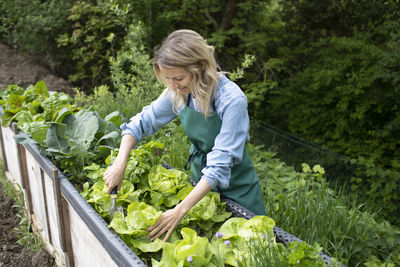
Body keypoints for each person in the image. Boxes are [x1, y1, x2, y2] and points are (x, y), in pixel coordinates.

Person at [103, 29, 266, 242]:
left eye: (178, 78)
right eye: (168, 79)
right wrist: (119, 163)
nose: (172, 86)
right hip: (200, 189)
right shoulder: (179, 92)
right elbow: (141, 123)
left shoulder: (232, 100)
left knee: (249, 248)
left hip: (238, 189)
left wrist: (179, 211)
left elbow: (219, 166)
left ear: (200, 67)